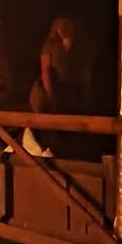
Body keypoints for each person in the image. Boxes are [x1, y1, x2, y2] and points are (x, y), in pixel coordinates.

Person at [27, 17, 91, 155]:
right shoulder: (50, 46)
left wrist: (83, 91)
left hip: (68, 92)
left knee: (68, 128)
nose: (64, 29)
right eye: (61, 27)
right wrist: (50, 93)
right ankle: (46, 153)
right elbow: (45, 70)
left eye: (66, 26)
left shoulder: (76, 47)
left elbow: (82, 70)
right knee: (47, 124)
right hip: (47, 92)